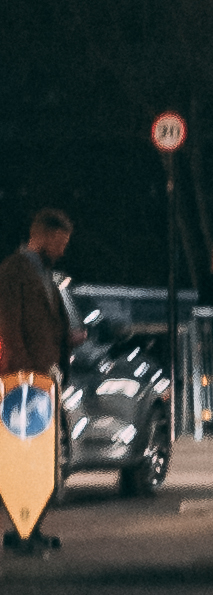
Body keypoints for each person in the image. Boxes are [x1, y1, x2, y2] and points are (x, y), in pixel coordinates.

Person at [2, 204, 81, 557]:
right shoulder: (14, 272)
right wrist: (21, 375)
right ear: (45, 236)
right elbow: (9, 325)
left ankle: (30, 528)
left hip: (43, 378)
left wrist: (66, 336)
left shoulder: (43, 273)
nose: (63, 250)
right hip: (26, 381)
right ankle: (22, 530)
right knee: (25, 458)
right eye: (61, 243)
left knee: (41, 460)